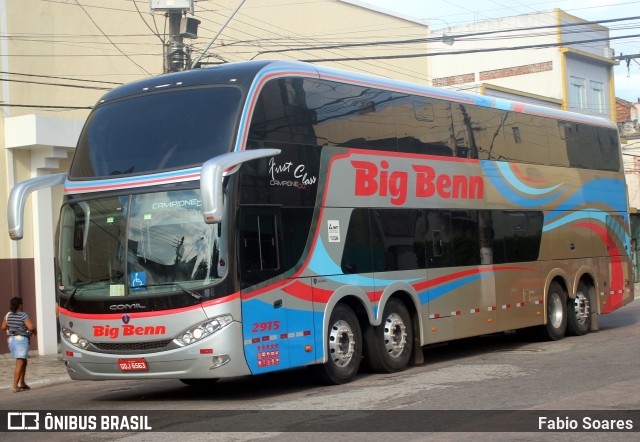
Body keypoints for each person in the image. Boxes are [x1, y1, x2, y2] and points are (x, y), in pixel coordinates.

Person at [1, 297, 37, 392]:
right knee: (20, 362)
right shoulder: (22, 315)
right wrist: (34, 331)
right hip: (21, 340)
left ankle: (22, 383)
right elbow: (30, 327)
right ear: (20, 305)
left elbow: (3, 326)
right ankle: (15, 386)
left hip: (12, 340)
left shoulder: (8, 314)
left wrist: (12, 329)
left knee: (23, 361)